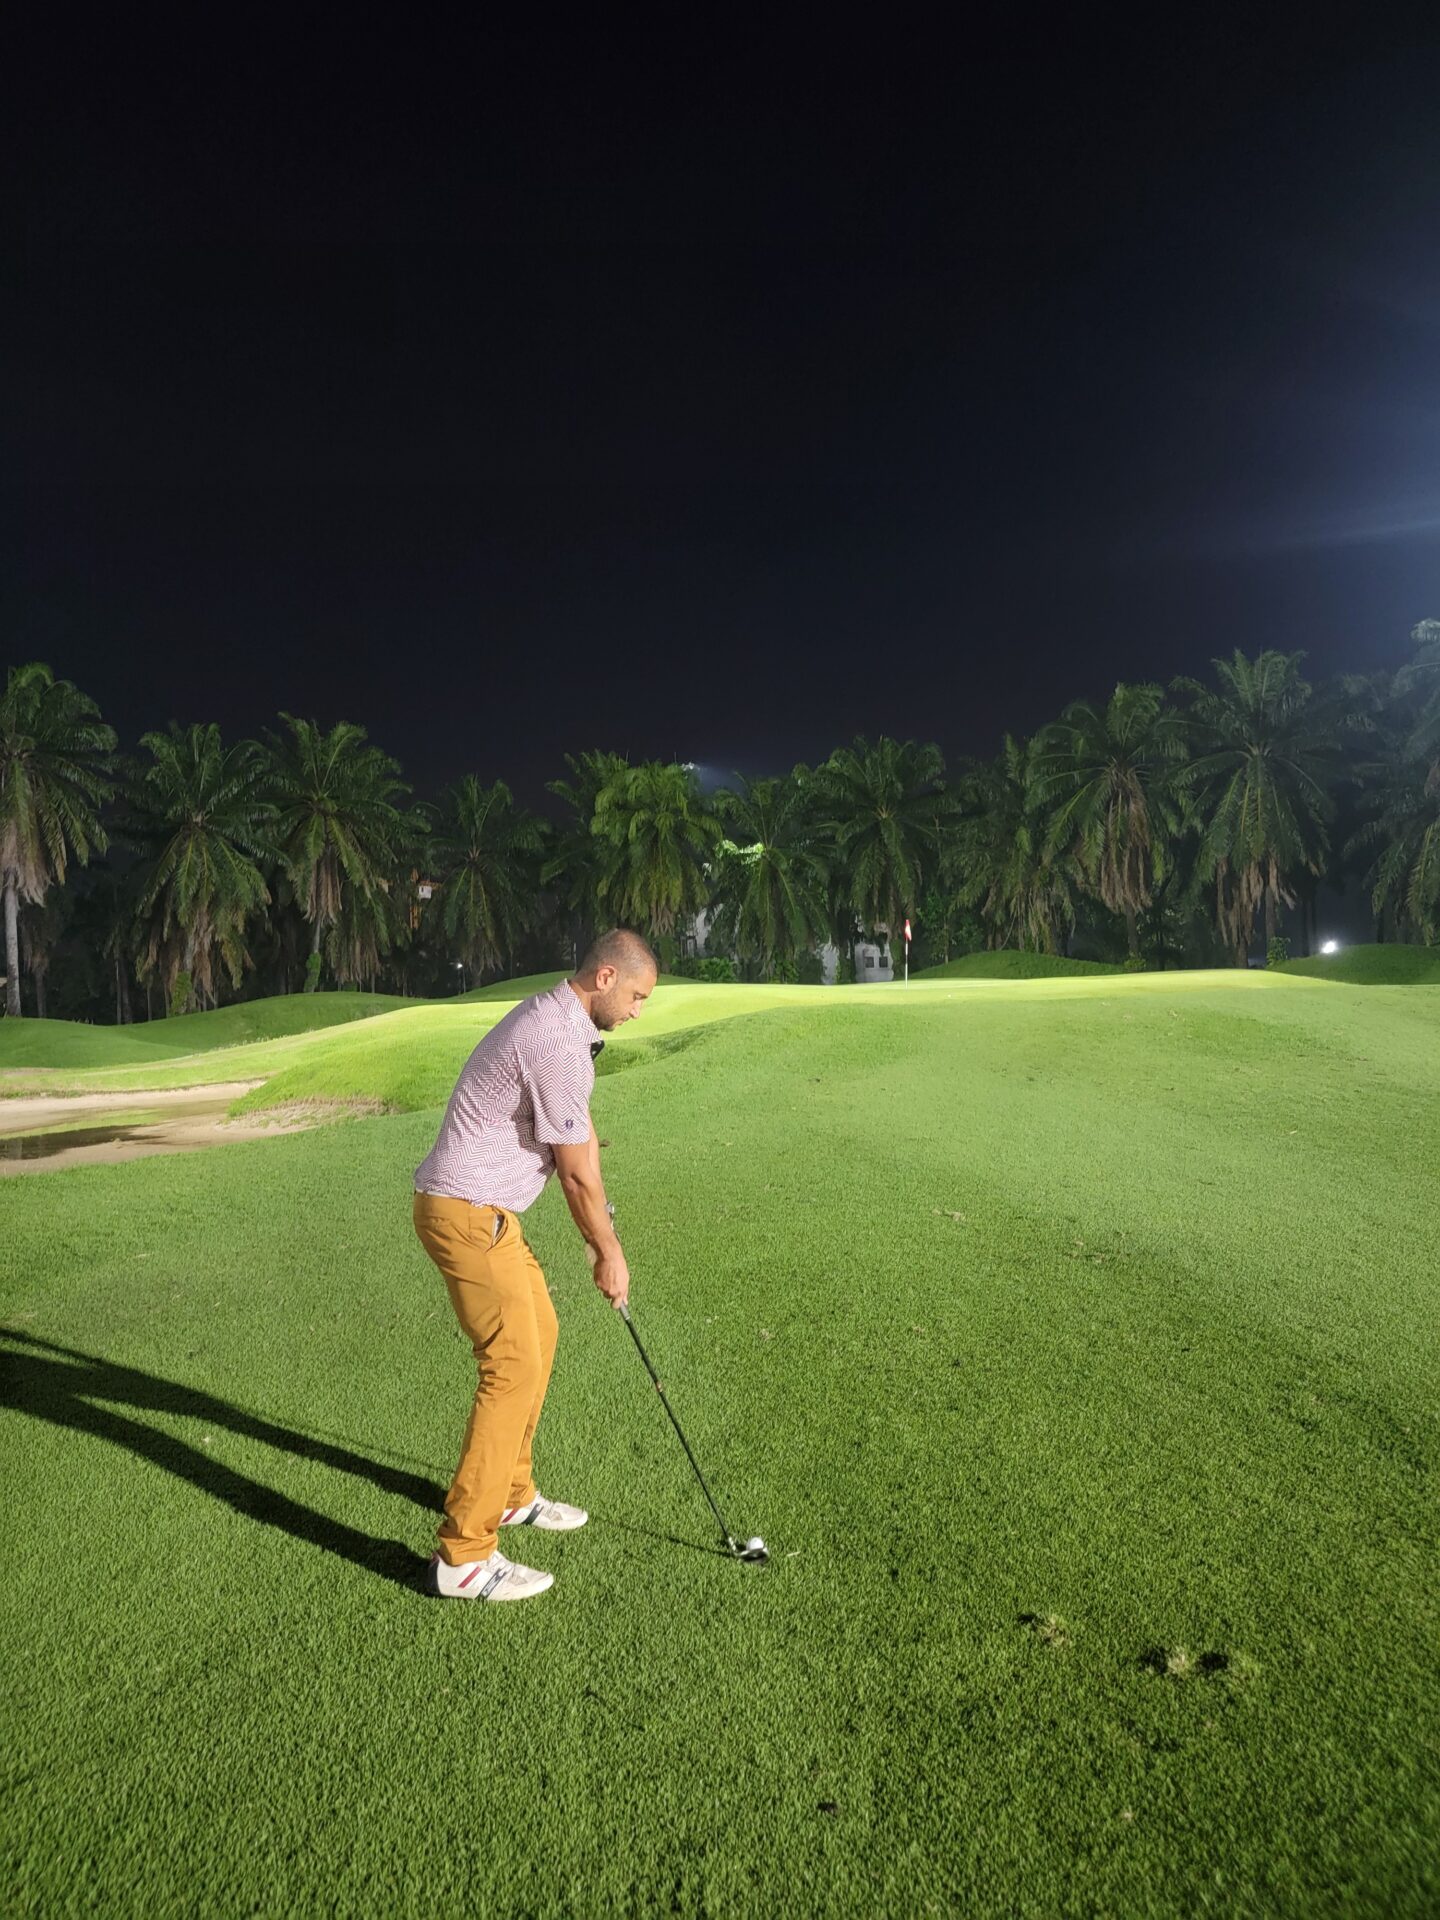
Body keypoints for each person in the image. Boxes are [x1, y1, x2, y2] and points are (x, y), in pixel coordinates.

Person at [411, 928, 658, 1601]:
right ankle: (464, 1556)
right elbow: (577, 1178)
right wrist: (609, 1253)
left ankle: (513, 1492)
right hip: (467, 1214)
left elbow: (575, 1145)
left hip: (486, 1212)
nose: (639, 1011)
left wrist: (594, 1214)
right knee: (511, 1365)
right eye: (636, 996)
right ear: (605, 977)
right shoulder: (556, 1042)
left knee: (539, 1333)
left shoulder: (558, 1022)